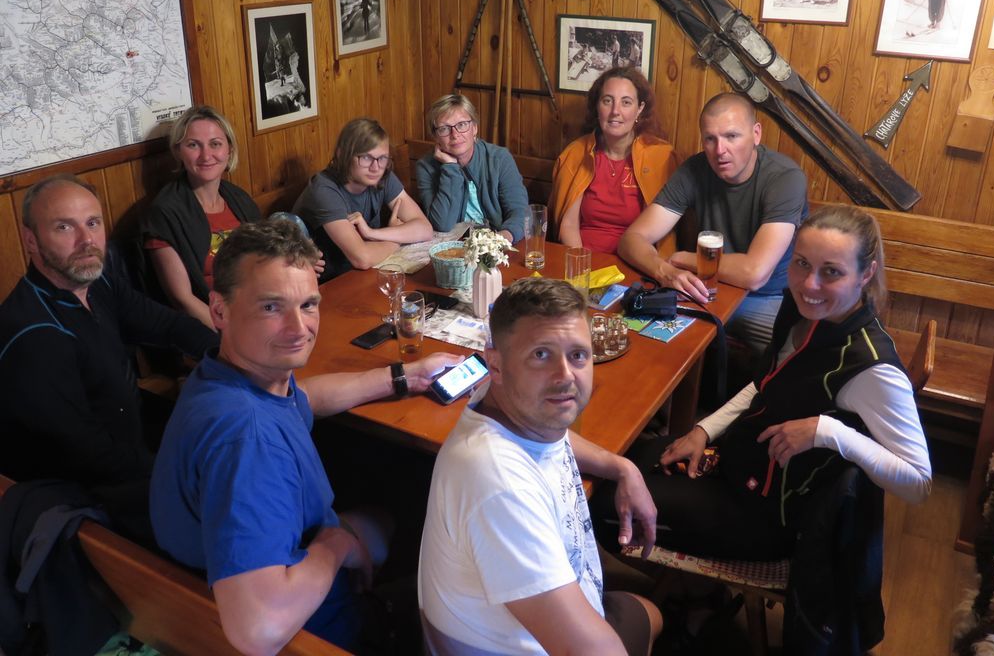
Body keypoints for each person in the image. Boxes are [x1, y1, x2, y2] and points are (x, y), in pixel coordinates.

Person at [150, 218, 461, 653]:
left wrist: (404, 376)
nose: (298, 328)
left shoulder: (229, 380)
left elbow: (305, 397)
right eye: (271, 307)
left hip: (261, 568)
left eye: (308, 305)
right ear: (219, 310)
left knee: (398, 504)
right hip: (326, 633)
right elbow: (257, 631)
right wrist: (336, 545)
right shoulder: (248, 440)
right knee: (452, 537)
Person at [603, 205, 931, 561]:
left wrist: (828, 431)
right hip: (733, 462)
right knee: (622, 461)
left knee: (603, 501)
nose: (809, 284)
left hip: (763, 517)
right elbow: (766, 383)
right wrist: (704, 429)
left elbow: (919, 482)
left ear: (866, 274)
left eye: (831, 272)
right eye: (802, 263)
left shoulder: (871, 368)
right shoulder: (802, 311)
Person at [418, 277, 663, 656]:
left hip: (549, 619)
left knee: (647, 610)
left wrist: (621, 467)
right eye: (541, 355)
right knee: (651, 614)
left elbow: (554, 437)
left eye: (578, 355)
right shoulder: (499, 483)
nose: (565, 376)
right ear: (495, 364)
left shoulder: (515, 403)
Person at [0, 174, 217, 542]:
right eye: (64, 227)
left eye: (93, 223)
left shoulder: (97, 284)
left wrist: (234, 361)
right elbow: (86, 454)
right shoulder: (32, 333)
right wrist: (177, 476)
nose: (86, 240)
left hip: (127, 447)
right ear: (31, 240)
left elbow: (169, 326)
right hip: (85, 501)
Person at [618, 92, 808, 360]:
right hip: (706, 292)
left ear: (756, 134)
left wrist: (685, 259)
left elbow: (754, 273)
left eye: (732, 136)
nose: (720, 151)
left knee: (794, 363)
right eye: (710, 139)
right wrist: (665, 271)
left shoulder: (785, 177)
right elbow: (631, 239)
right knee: (635, 337)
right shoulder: (695, 169)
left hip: (769, 299)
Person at [142, 105, 261, 330]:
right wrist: (233, 335)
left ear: (229, 149)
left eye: (215, 144)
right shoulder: (164, 213)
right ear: (178, 151)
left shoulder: (240, 199)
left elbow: (266, 259)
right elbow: (183, 299)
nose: (206, 156)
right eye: (193, 145)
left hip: (256, 309)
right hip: (210, 325)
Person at [550, 67, 678, 254]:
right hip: (583, 257)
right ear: (597, 106)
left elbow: (659, 234)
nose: (615, 111)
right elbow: (568, 225)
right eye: (607, 101)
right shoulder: (575, 154)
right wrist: (580, 265)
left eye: (626, 102)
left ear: (639, 109)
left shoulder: (661, 157)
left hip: (637, 259)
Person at [294, 117, 432, 281]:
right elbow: (362, 258)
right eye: (366, 157)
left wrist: (373, 233)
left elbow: (425, 229)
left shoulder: (382, 177)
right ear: (342, 155)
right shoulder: (324, 189)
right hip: (327, 282)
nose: (375, 167)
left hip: (359, 275)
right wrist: (396, 240)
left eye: (382, 158)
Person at [415, 94, 529, 243]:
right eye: (444, 129)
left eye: (462, 125)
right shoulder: (425, 167)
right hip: (451, 247)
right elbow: (441, 224)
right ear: (435, 137)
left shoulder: (499, 159)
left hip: (498, 242)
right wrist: (450, 168)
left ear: (474, 128)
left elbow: (520, 212)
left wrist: (497, 241)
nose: (455, 135)